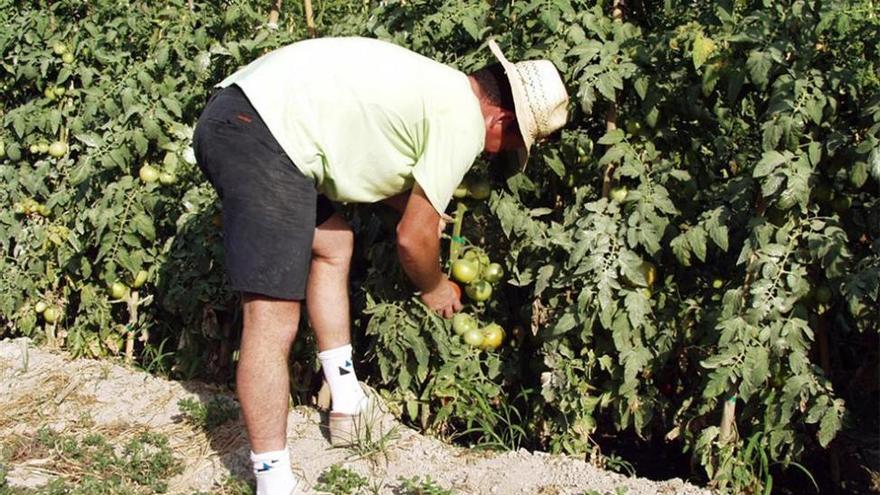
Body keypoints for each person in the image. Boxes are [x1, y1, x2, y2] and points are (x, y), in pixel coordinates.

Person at [192, 36, 568, 495]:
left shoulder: (444, 90)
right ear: (500, 119)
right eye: (510, 142)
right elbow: (412, 240)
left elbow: (370, 150)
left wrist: (420, 208)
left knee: (335, 245)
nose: (498, 154)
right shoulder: (464, 122)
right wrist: (434, 286)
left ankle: (347, 401)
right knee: (272, 319)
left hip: (249, 119)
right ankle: (275, 482)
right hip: (259, 132)